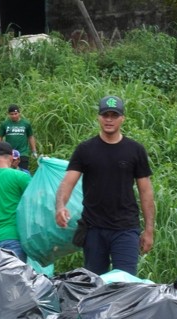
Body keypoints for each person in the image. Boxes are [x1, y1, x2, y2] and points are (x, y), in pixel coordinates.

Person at [55, 95, 156, 275]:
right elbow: (68, 182)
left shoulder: (135, 150)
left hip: (126, 229)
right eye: (105, 115)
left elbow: (146, 192)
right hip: (94, 229)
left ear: (122, 118)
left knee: (125, 285)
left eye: (114, 115)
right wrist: (60, 206)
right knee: (95, 284)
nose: (109, 119)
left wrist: (149, 230)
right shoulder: (85, 150)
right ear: (98, 117)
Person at [0, 104, 38, 171]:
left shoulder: (26, 123)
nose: (14, 116)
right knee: (10, 172)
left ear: (19, 113)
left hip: (23, 153)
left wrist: (34, 151)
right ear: (8, 114)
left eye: (16, 114)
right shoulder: (5, 124)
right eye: (12, 114)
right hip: (9, 153)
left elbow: (30, 137)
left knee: (23, 172)